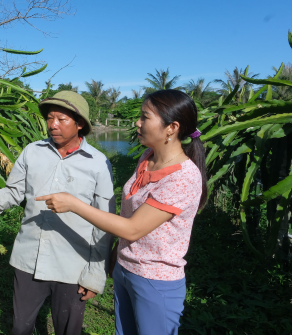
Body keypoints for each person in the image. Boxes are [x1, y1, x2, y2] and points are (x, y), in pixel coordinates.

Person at [36, 89, 208, 335]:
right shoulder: (148, 157)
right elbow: (132, 217)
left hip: (154, 280)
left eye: (145, 117)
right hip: (126, 269)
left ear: (171, 127)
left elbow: (133, 228)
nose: (137, 123)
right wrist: (118, 251)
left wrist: (74, 204)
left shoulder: (183, 177)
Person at [0, 91, 116, 335]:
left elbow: (104, 223)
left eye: (61, 119)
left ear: (80, 123)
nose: (53, 125)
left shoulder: (98, 163)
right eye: (50, 118)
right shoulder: (32, 152)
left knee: (68, 328)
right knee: (20, 327)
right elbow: (13, 193)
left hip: (72, 263)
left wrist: (95, 275)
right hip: (28, 258)